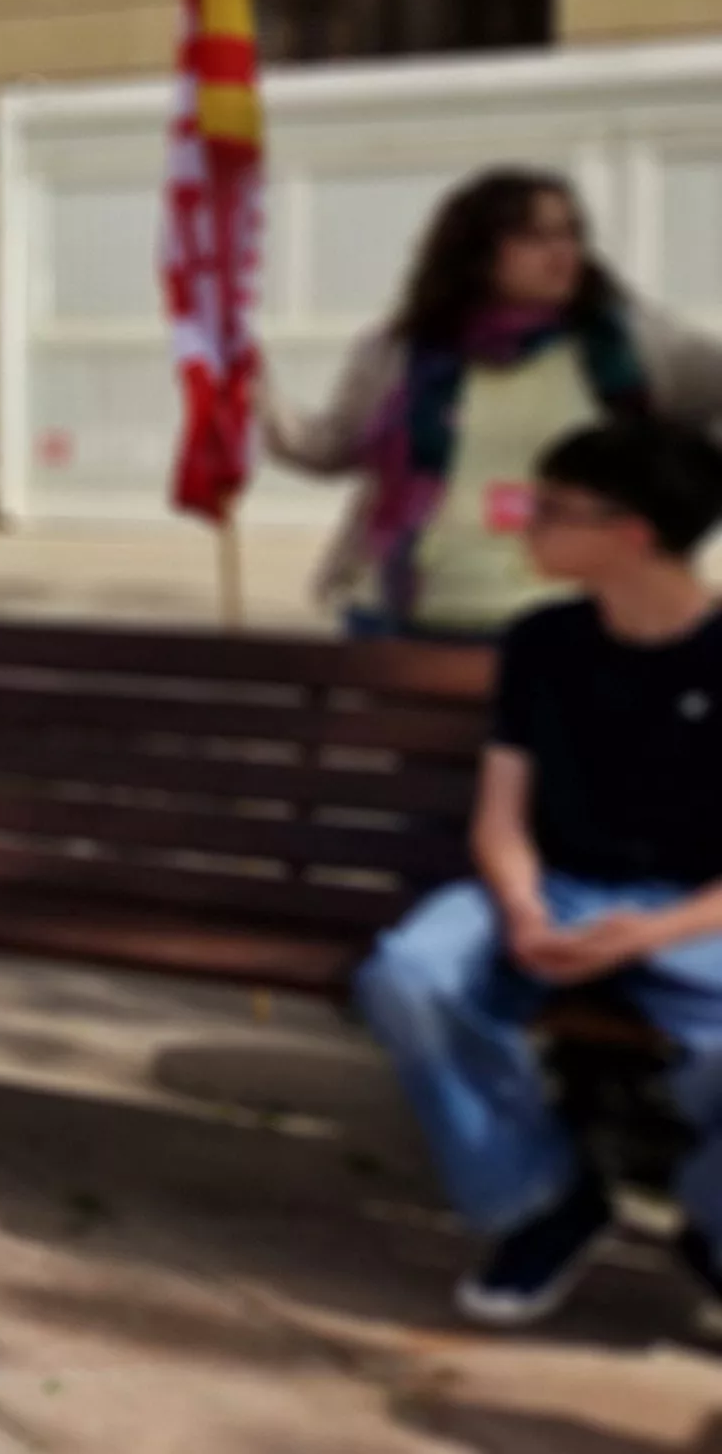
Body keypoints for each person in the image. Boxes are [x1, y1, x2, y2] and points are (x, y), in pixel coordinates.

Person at [355, 418, 722, 1328]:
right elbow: (502, 811)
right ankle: (545, 1200)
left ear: (631, 532)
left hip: (695, 912)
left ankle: (713, 1225)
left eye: (549, 509)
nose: (525, 526)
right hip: (550, 889)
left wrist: (657, 931)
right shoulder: (544, 641)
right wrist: (520, 905)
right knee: (410, 976)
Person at [269, 168, 722, 639]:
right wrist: (254, 401)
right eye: (534, 237)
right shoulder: (403, 351)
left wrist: (674, 522)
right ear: (476, 252)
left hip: (574, 627)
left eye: (571, 233)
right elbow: (332, 448)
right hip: (406, 616)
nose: (562, 254)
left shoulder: (627, 346)